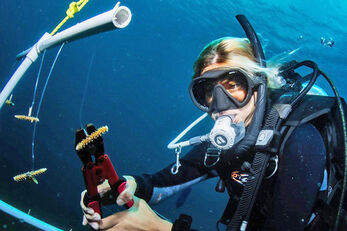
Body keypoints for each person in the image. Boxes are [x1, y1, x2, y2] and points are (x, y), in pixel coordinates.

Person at [78, 16, 346, 231]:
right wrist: (121, 186)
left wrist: (161, 228)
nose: (221, 104)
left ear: (258, 86)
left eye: (233, 86)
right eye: (208, 92)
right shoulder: (220, 148)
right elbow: (160, 183)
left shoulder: (300, 141)